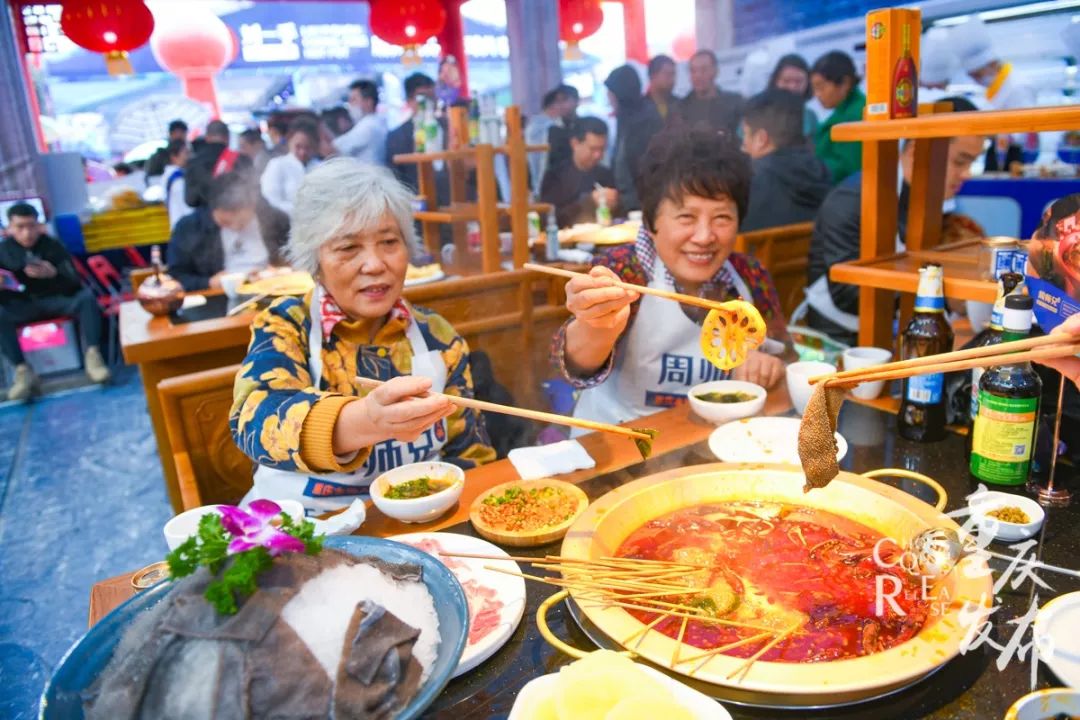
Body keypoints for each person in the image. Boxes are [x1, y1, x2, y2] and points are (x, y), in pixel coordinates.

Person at [229, 158, 495, 512]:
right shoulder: (285, 324)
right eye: (348, 247)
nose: (374, 264)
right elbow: (255, 417)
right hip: (308, 529)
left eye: (388, 241)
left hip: (417, 521)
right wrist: (367, 421)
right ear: (315, 260)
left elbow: (469, 451)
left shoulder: (435, 333)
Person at [551, 129, 791, 428]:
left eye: (722, 218)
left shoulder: (749, 275)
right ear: (652, 222)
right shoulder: (623, 271)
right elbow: (575, 367)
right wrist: (596, 326)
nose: (704, 237)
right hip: (621, 439)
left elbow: (785, 354)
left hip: (715, 439)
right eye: (686, 217)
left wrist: (766, 365)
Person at [806, 98, 985, 346]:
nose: (966, 174)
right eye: (960, 161)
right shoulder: (852, 200)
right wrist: (941, 293)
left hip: (900, 325)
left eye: (972, 163)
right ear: (915, 151)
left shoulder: (934, 199)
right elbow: (847, 295)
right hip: (840, 337)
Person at [0, 203, 109, 400]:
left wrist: (55, 274)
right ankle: (22, 371)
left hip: (55, 300)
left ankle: (93, 356)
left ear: (39, 225)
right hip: (21, 304)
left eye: (31, 226)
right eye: (20, 227)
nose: (27, 233)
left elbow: (75, 281)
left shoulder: (52, 245)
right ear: (8, 228)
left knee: (86, 299)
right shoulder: (3, 251)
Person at [167, 170, 289, 290]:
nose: (235, 228)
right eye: (226, 223)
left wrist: (280, 269)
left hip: (270, 289)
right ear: (212, 209)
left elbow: (292, 255)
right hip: (219, 297)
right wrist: (207, 282)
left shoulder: (273, 219)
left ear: (252, 206)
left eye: (242, 223)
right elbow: (176, 275)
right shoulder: (189, 227)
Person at [951, 16, 1039, 170]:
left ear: (992, 64)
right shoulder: (996, 88)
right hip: (996, 152)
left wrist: (986, 130)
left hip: (1015, 157)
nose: (976, 82)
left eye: (977, 75)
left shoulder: (1018, 86)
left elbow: (1025, 132)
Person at [740, 89, 830, 232]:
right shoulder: (824, 172)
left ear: (761, 139)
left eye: (745, 134)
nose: (743, 146)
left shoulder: (749, 184)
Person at [539, 117, 618, 228]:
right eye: (593, 149)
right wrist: (588, 202)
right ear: (575, 144)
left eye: (602, 149)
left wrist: (614, 202)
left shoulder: (605, 174)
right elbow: (547, 218)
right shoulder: (555, 177)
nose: (598, 155)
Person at [605, 65, 663, 212]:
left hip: (645, 202)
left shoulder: (647, 118)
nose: (609, 97)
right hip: (625, 202)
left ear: (621, 93)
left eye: (611, 92)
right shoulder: (623, 116)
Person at [810, 51, 866, 186]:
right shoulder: (844, 112)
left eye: (821, 87)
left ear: (845, 83)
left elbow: (848, 167)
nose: (817, 94)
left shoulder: (856, 115)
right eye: (814, 89)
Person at [184, 119, 253, 208]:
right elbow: (251, 195)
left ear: (207, 138)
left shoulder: (193, 163)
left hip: (204, 219)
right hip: (236, 218)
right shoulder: (242, 160)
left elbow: (190, 200)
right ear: (227, 138)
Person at [385, 72, 436, 191]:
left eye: (431, 97)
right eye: (422, 98)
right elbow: (394, 179)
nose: (428, 103)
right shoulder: (396, 136)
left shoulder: (447, 127)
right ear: (409, 101)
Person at [676, 50, 744, 137]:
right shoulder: (681, 109)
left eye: (703, 70)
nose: (698, 76)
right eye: (693, 71)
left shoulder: (734, 103)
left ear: (715, 71)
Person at [261, 119, 319, 217]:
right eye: (298, 146)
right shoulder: (277, 165)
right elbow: (271, 200)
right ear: (289, 141)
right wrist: (302, 212)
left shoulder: (320, 166)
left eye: (307, 147)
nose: (303, 152)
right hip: (285, 225)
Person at [526, 87, 573, 194]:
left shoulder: (535, 124)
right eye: (561, 102)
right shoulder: (546, 127)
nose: (564, 106)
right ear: (552, 105)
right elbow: (542, 161)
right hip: (546, 184)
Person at [334, 79, 388, 166]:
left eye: (353, 100)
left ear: (368, 102)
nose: (350, 104)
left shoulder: (368, 126)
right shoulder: (376, 122)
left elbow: (334, 149)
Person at [768, 53, 817, 139]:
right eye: (786, 81)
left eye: (798, 81)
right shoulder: (757, 110)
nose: (792, 87)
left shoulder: (810, 116)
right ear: (775, 81)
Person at [546, 83, 582, 175]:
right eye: (557, 101)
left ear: (577, 101)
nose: (560, 105)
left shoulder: (586, 126)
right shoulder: (552, 129)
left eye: (564, 99)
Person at [161, 139, 194, 229]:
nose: (190, 157)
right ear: (174, 157)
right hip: (186, 228)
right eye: (186, 153)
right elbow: (188, 209)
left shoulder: (167, 175)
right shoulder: (179, 179)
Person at [644, 54, 677, 121]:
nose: (672, 80)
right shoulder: (638, 109)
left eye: (673, 75)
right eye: (667, 75)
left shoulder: (681, 106)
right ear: (653, 76)